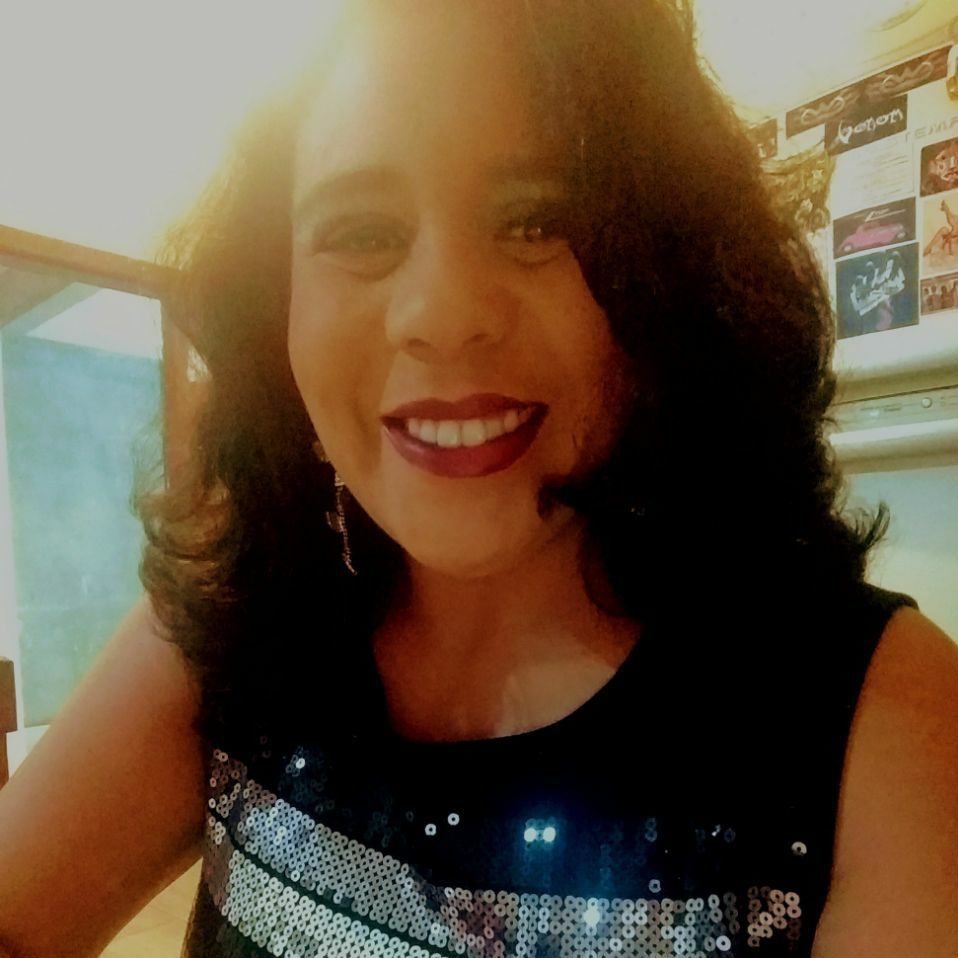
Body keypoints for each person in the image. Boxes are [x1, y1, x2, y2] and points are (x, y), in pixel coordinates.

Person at [1, 2, 957, 956]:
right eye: (362, 233)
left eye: (536, 219)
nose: (441, 312)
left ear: (674, 269)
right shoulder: (234, 613)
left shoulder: (881, 723)